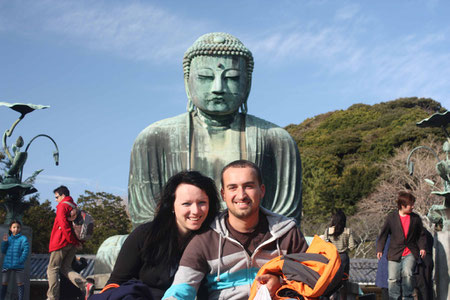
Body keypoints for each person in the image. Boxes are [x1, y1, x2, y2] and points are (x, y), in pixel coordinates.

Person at [128, 32, 302, 229]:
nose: (218, 88)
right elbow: (145, 219)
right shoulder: (153, 139)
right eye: (205, 77)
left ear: (248, 84)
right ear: (187, 82)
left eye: (232, 78)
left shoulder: (276, 140)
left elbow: (286, 218)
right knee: (110, 248)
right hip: (177, 241)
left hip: (255, 239)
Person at [163, 160, 308, 300]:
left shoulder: (287, 232)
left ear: (262, 190)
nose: (241, 195)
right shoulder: (206, 238)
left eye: (249, 186)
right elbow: (182, 288)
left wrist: (280, 282)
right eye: (233, 187)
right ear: (223, 194)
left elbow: (312, 276)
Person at [97, 171, 220, 300]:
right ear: (172, 205)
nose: (195, 211)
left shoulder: (214, 239)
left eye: (202, 203)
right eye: (186, 204)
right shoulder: (145, 235)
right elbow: (116, 282)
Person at [376, 191, 426, 300]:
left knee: (408, 274)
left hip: (410, 252)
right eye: (410, 205)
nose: (412, 207)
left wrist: (422, 247)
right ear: (402, 206)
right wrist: (380, 249)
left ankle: (407, 297)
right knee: (393, 278)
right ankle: (394, 298)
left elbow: (421, 235)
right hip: (394, 252)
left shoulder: (415, 218)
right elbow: (383, 234)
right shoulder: (391, 217)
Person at [47, 185, 92, 300]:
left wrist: (70, 239)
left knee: (52, 269)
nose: (56, 200)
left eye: (57, 197)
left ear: (63, 195)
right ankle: (85, 285)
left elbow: (63, 225)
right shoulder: (74, 206)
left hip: (61, 242)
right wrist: (75, 242)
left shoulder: (62, 206)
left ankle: (52, 297)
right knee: (66, 268)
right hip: (72, 244)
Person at [323, 209, 356, 300]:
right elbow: (352, 246)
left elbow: (325, 244)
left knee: (330, 279)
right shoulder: (348, 231)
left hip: (331, 257)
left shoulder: (328, 230)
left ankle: (330, 297)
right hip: (343, 257)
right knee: (343, 281)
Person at [1, 220, 29, 300]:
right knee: (4, 283)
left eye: (18, 227)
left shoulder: (23, 239)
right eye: (14, 227)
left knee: (20, 284)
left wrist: (21, 260)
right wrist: (5, 242)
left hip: (18, 265)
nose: (16, 229)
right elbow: (3, 251)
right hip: (7, 265)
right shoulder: (8, 239)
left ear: (20, 229)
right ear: (10, 228)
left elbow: (25, 251)